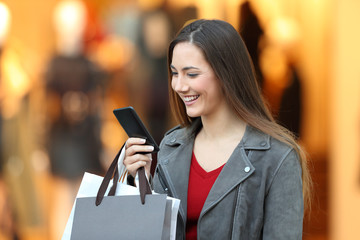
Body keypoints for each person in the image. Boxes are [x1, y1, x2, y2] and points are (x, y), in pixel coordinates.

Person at [123, 19, 311, 239]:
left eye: (191, 74)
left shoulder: (278, 157)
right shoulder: (171, 147)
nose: (179, 86)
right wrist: (140, 182)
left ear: (226, 74)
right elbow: (148, 231)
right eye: (175, 73)